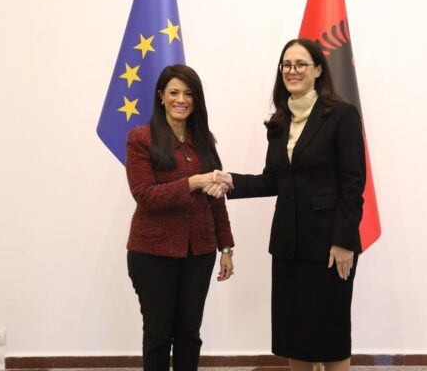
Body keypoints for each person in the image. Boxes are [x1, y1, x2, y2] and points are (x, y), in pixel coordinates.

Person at [208, 38, 366, 371]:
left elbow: (353, 186)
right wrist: (231, 181)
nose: (292, 71)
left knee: (331, 336)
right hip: (288, 246)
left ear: (318, 70)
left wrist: (343, 241)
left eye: (300, 64)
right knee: (294, 335)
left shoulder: (342, 115)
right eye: (286, 65)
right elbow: (274, 180)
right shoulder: (279, 123)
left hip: (329, 246)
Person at [125, 64, 234, 371]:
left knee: (189, 332)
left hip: (199, 252)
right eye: (174, 92)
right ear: (161, 96)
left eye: (188, 94)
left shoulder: (204, 140)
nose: (181, 100)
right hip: (152, 253)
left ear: (196, 100)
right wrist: (193, 182)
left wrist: (226, 247)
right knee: (158, 334)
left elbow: (217, 199)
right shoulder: (140, 138)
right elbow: (145, 196)